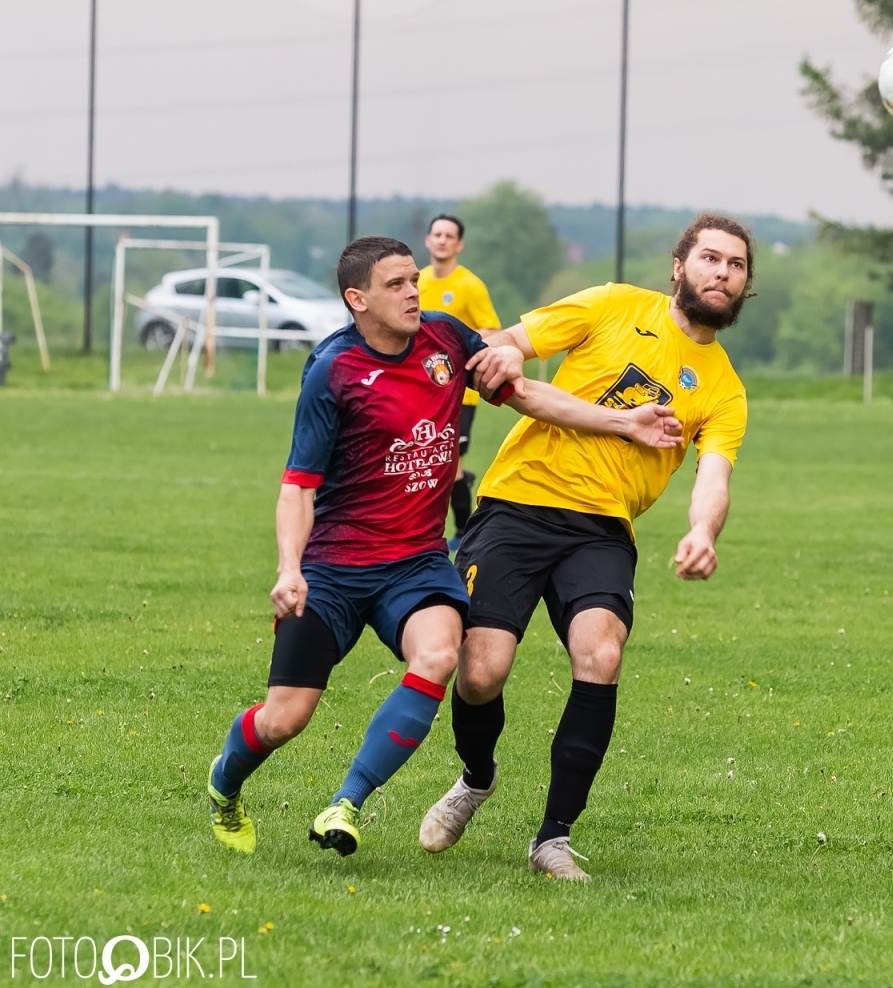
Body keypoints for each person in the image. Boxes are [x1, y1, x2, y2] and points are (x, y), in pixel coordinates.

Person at [204, 235, 683, 858]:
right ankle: (224, 783)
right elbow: (298, 486)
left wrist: (625, 420)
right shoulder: (333, 371)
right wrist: (290, 568)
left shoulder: (448, 339)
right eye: (397, 285)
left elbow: (527, 396)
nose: (413, 293)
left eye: (414, 281)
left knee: (438, 656)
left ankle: (347, 804)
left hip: (417, 562)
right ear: (358, 299)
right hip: (335, 567)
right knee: (284, 719)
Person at [417, 213, 752, 882]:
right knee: (481, 673)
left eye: (737, 265)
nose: (723, 272)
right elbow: (513, 339)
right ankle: (476, 778)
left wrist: (700, 531)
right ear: (679, 266)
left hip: (602, 527)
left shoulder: (724, 388)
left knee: (601, 653)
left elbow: (712, 477)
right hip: (516, 505)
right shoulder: (613, 305)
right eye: (710, 258)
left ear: (745, 287)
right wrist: (509, 351)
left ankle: (553, 840)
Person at [416, 214, 501, 548]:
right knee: (426, 459)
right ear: (427, 240)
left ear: (459, 244)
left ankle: (463, 531)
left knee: (450, 461)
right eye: (436, 234)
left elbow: (492, 330)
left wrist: (453, 344)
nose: (442, 240)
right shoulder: (418, 282)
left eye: (449, 236)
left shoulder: (469, 285)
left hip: (457, 391)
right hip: (420, 388)